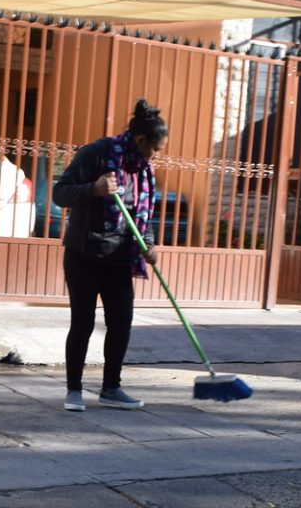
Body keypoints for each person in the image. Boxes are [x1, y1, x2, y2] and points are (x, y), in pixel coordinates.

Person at [52, 99, 169, 411]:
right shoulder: (97, 153)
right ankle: (74, 391)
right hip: (84, 254)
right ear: (141, 140)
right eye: (155, 149)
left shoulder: (143, 170)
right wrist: (94, 188)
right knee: (83, 323)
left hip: (120, 258)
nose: (155, 156)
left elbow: (141, 215)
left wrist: (148, 243)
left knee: (121, 322)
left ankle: (111, 388)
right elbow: (60, 193)